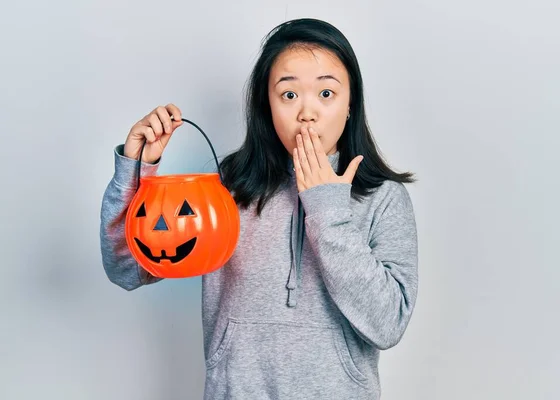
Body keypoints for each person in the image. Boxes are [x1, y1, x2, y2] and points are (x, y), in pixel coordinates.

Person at [100, 17, 418, 400]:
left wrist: (327, 211)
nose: (307, 113)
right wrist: (135, 171)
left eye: (326, 94)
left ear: (351, 103)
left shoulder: (383, 197)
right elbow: (128, 269)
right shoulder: (228, 188)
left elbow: (388, 325)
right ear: (266, 106)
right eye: (288, 95)